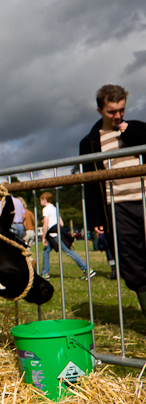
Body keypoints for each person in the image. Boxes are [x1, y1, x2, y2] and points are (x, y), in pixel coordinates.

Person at [80, 84, 146, 317]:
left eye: (121, 110)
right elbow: (90, 182)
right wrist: (95, 217)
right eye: (111, 112)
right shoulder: (89, 142)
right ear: (99, 110)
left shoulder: (138, 128)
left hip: (145, 200)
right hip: (116, 207)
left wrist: (131, 133)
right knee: (131, 261)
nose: (118, 115)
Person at [40, 191, 95, 280]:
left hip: (53, 235)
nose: (40, 202)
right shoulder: (54, 208)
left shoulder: (45, 209)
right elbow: (61, 223)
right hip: (58, 232)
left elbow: (46, 223)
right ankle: (45, 273)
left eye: (41, 200)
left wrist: (43, 236)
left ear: (44, 200)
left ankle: (87, 269)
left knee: (69, 252)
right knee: (45, 251)